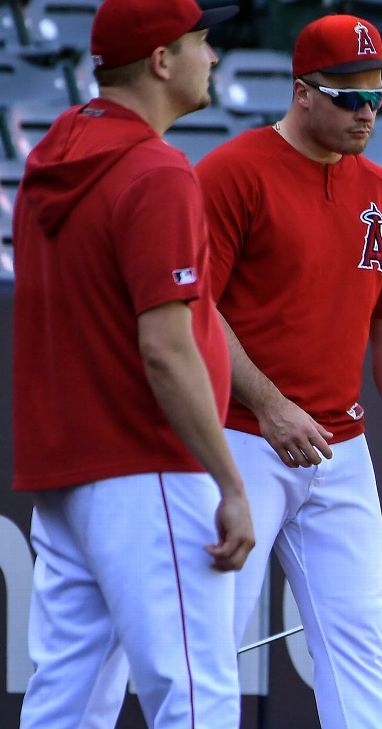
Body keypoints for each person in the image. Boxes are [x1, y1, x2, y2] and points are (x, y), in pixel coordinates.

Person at [192, 14, 382, 729]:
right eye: (347, 96)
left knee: (356, 643)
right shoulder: (234, 173)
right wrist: (267, 405)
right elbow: (194, 310)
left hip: (340, 446)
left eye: (376, 96)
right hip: (239, 440)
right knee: (211, 641)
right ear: (302, 92)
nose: (366, 112)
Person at [10, 0, 255, 727]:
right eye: (202, 42)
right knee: (196, 697)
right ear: (160, 59)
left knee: (68, 703)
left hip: (68, 472)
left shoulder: (53, 153)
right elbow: (165, 348)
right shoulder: (156, 172)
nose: (212, 57)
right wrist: (230, 479)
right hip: (149, 464)